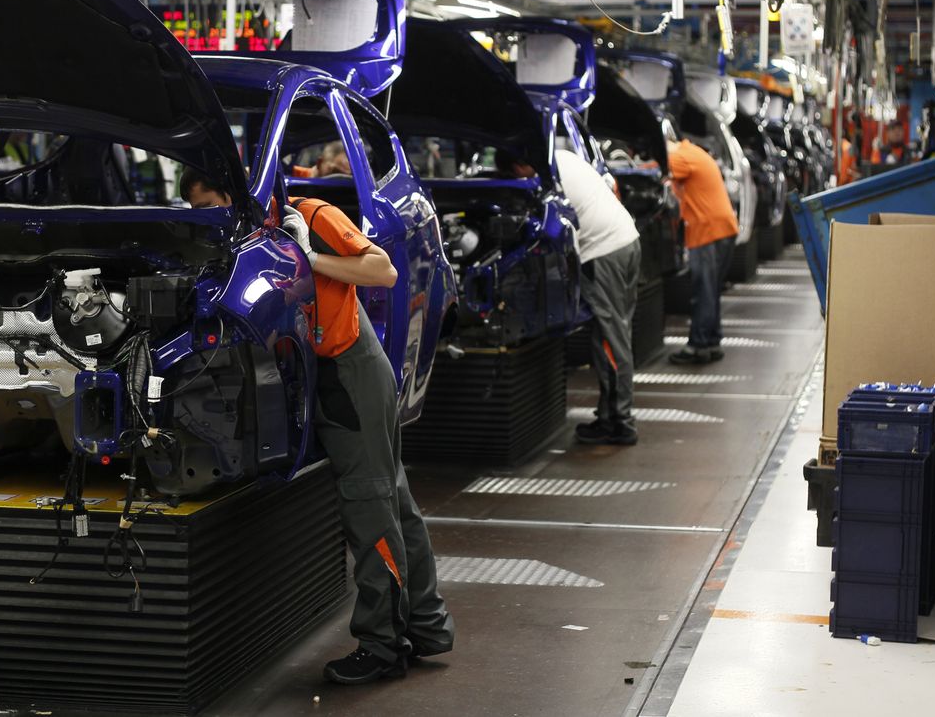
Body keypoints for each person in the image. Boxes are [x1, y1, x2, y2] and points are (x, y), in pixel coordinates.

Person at [179, 167, 455, 685]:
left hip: (351, 370)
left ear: (235, 193)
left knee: (370, 501)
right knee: (392, 496)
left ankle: (383, 645)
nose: (209, 219)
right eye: (199, 213)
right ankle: (427, 625)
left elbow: (383, 271)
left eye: (212, 205)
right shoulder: (244, 236)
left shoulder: (310, 214)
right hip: (325, 370)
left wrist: (311, 259)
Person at [497, 149, 642, 445]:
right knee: (617, 332)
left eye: (516, 175)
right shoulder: (559, 155)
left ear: (520, 164)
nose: (520, 180)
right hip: (626, 240)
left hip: (604, 251)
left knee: (610, 339)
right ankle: (610, 413)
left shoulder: (548, 177)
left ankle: (620, 422)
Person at [665, 136, 740, 365]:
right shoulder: (694, 152)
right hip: (722, 228)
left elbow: (659, 170)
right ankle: (712, 342)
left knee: (703, 291)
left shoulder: (680, 156)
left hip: (708, 231)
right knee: (711, 290)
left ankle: (697, 346)